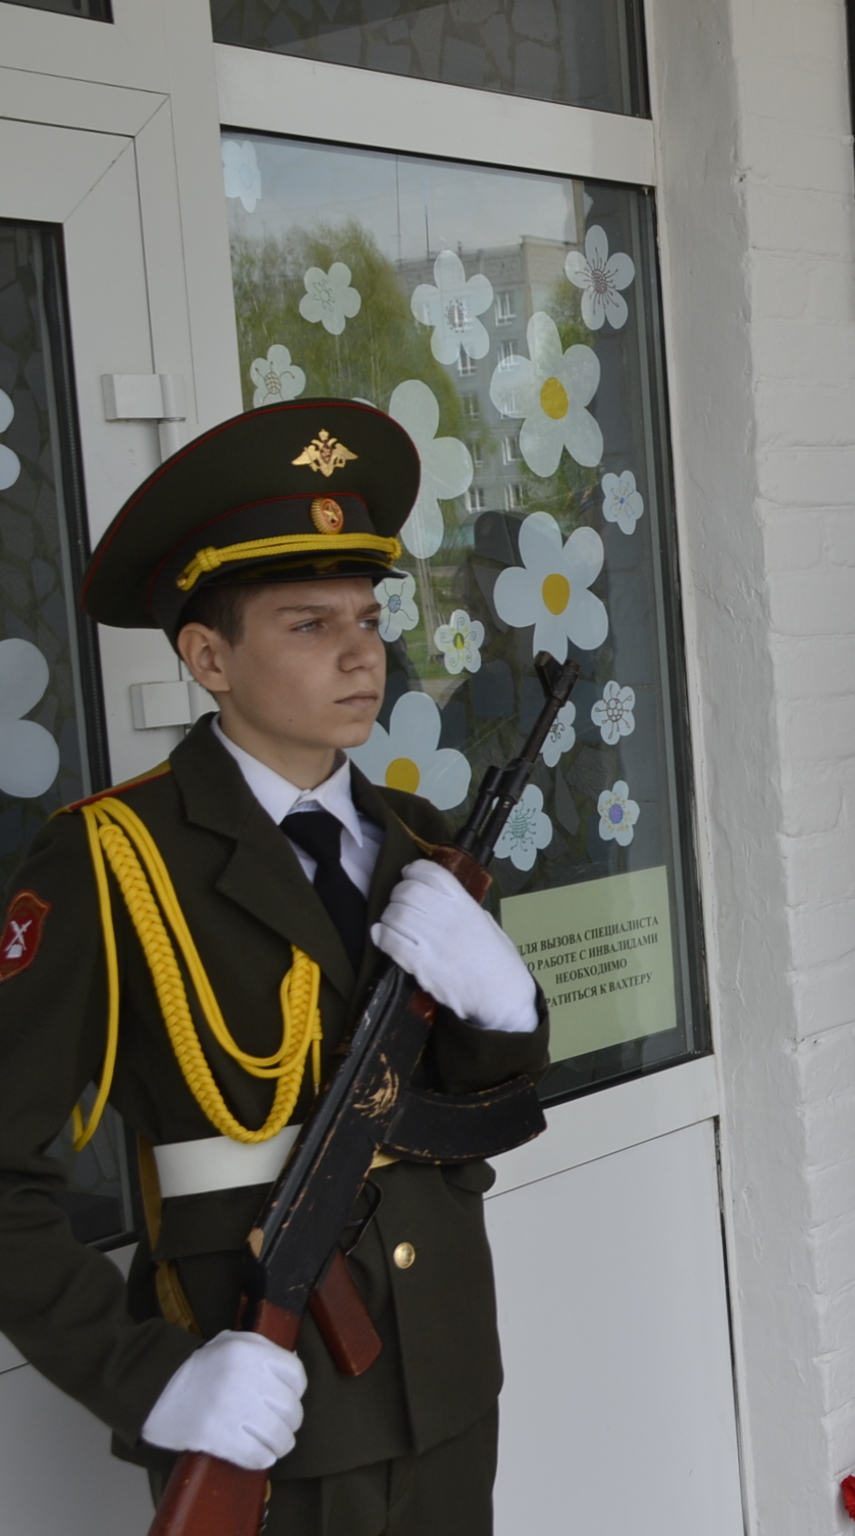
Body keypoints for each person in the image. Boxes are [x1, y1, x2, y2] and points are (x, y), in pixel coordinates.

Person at [0, 400, 551, 1532]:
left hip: (446, 1380)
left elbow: (475, 1104)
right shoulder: (110, 863)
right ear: (209, 657)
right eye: (308, 625)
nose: (363, 651)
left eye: (368, 615)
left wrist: (508, 1010)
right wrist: (148, 1379)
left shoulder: (415, 837)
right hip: (264, 1403)